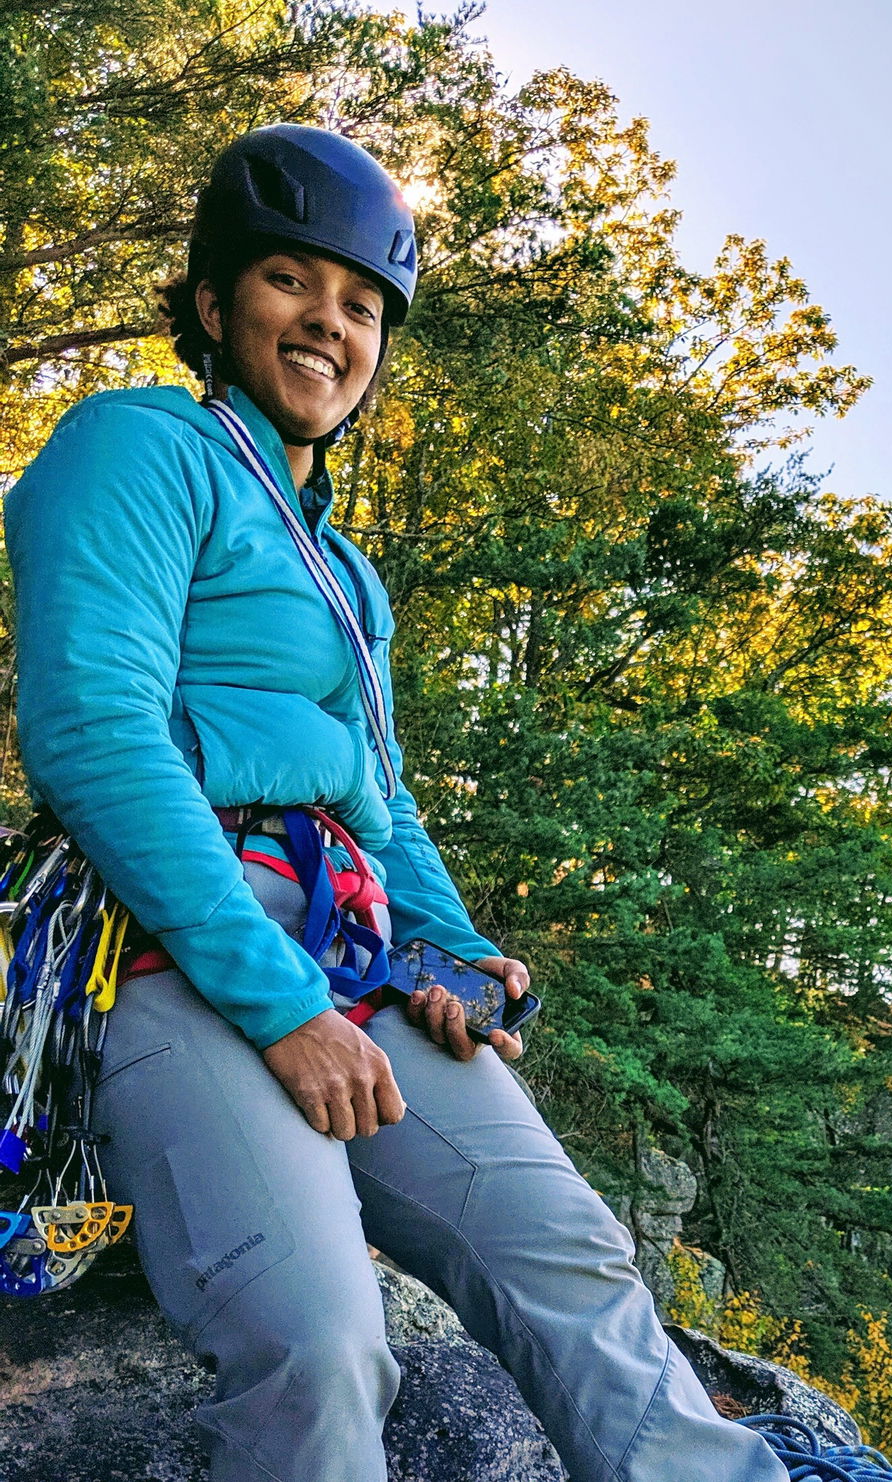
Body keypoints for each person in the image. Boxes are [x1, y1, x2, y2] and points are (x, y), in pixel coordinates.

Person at [5, 124, 792, 1482]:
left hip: (348, 951)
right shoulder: (141, 446)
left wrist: (460, 955)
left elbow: (385, 803)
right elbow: (95, 735)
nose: (330, 322)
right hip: (173, 942)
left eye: (361, 304)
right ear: (212, 304)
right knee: (320, 1338)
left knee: (570, 1255)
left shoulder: (351, 577)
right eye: (290, 284)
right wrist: (285, 1010)